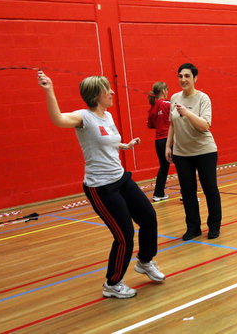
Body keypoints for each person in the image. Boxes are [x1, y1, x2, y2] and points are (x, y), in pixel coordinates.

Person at [37, 70, 165, 299]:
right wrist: (49, 91)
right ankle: (112, 284)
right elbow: (58, 119)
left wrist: (125, 146)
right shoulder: (83, 117)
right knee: (124, 235)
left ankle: (145, 261)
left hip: (120, 178)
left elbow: (106, 142)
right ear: (97, 95)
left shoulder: (107, 115)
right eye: (108, 89)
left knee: (148, 217)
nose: (112, 92)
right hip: (101, 187)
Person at [166, 63, 222, 241]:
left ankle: (214, 226)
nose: (183, 79)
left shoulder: (203, 98)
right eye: (180, 76)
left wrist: (187, 113)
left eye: (187, 76)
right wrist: (169, 146)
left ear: (195, 78)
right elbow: (172, 124)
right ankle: (193, 228)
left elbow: (205, 126)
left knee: (209, 189)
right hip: (182, 153)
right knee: (187, 191)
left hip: (204, 151)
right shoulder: (174, 98)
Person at [147, 81, 171, 201]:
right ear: (163, 91)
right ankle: (187, 194)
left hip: (159, 141)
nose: (167, 92)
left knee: (163, 167)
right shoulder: (168, 104)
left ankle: (158, 193)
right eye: (166, 90)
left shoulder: (152, 108)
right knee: (183, 166)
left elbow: (150, 125)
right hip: (169, 140)